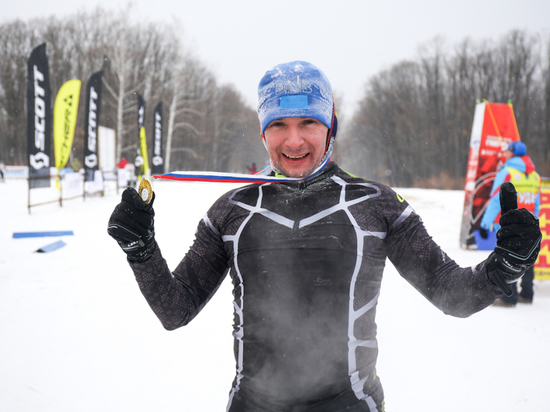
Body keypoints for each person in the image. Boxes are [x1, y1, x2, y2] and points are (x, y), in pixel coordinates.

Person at [107, 61, 541, 412]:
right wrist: (140, 248)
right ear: (263, 132)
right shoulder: (233, 209)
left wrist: (505, 265)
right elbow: (175, 309)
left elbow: (452, 295)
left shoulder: (375, 203)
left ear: (330, 126)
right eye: (278, 125)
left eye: (308, 123)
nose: (293, 140)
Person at [480, 141, 541, 307]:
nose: (505, 154)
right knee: (527, 258)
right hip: (529, 224)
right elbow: (536, 202)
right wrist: (534, 223)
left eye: (507, 151)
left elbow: (495, 199)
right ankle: (527, 294)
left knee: (508, 260)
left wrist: (485, 224)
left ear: (512, 153)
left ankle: (508, 298)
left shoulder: (507, 172)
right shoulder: (535, 175)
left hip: (510, 224)